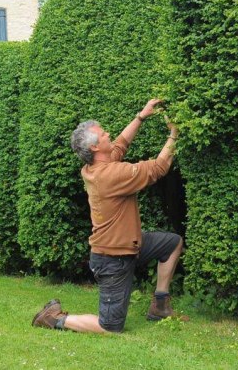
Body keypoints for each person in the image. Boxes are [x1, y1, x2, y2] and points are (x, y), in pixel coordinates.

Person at [32, 98, 182, 333]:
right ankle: (54, 319)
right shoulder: (109, 175)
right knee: (110, 326)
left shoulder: (93, 167)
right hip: (112, 258)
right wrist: (174, 134)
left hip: (130, 244)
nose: (108, 134)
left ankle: (160, 305)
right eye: (103, 135)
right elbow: (158, 168)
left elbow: (120, 145)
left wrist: (141, 117)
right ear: (94, 147)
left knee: (172, 244)